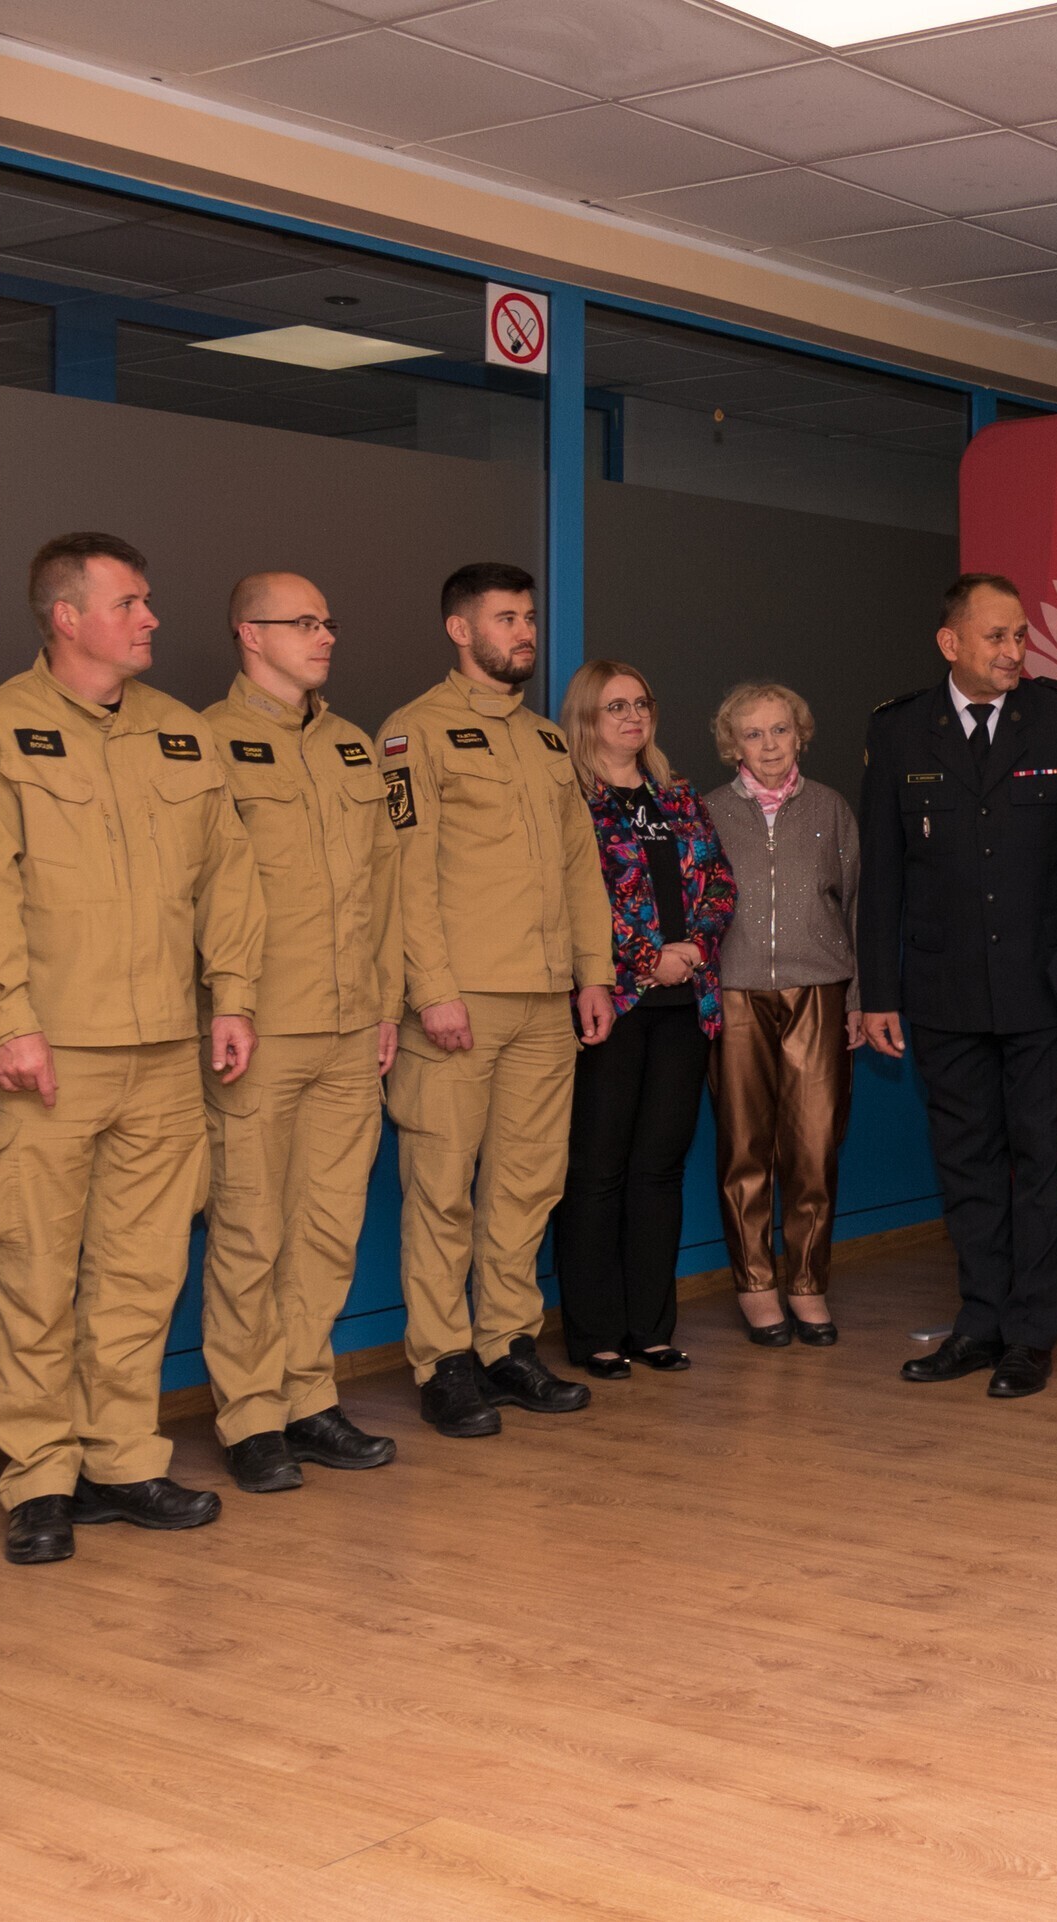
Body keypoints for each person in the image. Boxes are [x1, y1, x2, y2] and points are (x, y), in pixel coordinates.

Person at [0, 533, 264, 1566]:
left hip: (165, 1051)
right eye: (129, 602)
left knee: (141, 1271)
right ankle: (39, 1480)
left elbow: (228, 877)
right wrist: (8, 1017)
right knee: (36, 1274)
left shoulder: (181, 733)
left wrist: (232, 997)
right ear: (67, 616)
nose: (150, 618)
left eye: (146, 600)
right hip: (49, 1051)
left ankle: (122, 1461)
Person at [859, 574, 1057, 1399]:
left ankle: (1030, 1335)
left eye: (1020, 636)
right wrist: (878, 991)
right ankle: (979, 1323)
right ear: (951, 643)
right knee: (967, 1164)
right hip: (943, 988)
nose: (1014, 651)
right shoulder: (900, 730)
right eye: (996, 637)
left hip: (1043, 988)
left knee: (1041, 1162)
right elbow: (883, 873)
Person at [378, 563, 615, 1438]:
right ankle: (443, 1362)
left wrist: (594, 974)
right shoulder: (413, 733)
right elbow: (404, 875)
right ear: (460, 629)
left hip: (545, 1002)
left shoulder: (547, 743)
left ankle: (508, 1345)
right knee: (442, 1189)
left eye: (529, 618)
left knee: (527, 1185)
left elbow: (579, 869)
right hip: (460, 1003)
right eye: (507, 619)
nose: (525, 633)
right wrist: (432, 990)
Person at [198, 571, 403, 1496]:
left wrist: (387, 1005)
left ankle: (308, 1397)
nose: (326, 636)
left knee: (328, 1226)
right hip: (261, 1030)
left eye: (329, 621)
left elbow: (386, 888)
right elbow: (202, 893)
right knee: (250, 1228)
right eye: (304, 622)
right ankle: (250, 1416)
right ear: (251, 633)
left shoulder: (354, 745)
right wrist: (225, 1005)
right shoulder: (204, 741)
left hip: (352, 1027)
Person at [554, 660, 736, 1380]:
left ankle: (651, 1329)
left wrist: (690, 951)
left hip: (685, 1004)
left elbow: (719, 884)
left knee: (659, 1168)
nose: (633, 717)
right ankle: (596, 1333)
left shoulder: (677, 797)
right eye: (615, 707)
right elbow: (574, 897)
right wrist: (644, 957)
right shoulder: (572, 799)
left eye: (641, 704)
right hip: (612, 1004)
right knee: (597, 1170)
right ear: (586, 718)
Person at [703, 682, 861, 1348]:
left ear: (800, 734)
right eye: (753, 733)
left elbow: (856, 908)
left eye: (780, 730)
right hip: (735, 994)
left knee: (814, 1149)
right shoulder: (707, 813)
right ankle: (756, 1285)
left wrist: (857, 1000)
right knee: (744, 1149)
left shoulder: (831, 808)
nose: (769, 745)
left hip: (819, 991)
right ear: (732, 744)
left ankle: (807, 1284)